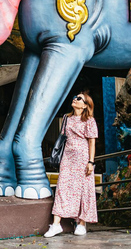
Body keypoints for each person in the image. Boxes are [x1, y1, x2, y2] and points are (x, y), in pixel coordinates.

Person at [44, 92, 98, 237]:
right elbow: (63, 137)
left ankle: (81, 223)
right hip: (67, 157)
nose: (75, 99)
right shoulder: (66, 118)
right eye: (75, 97)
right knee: (62, 187)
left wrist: (91, 161)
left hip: (82, 157)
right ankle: (56, 224)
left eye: (79, 98)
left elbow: (91, 142)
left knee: (83, 188)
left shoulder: (89, 120)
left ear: (85, 105)